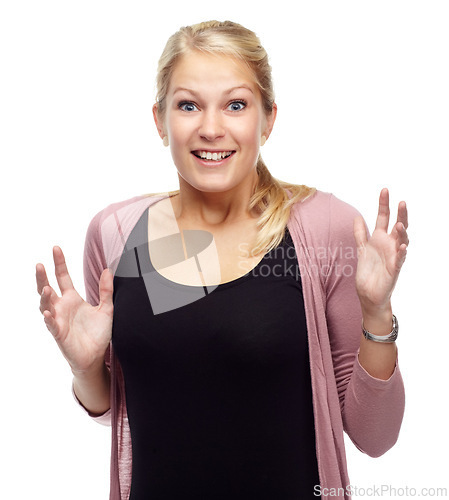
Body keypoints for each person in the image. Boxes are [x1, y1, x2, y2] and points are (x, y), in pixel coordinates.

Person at [36, 20, 408, 500]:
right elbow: (111, 407)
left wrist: (377, 314)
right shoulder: (116, 235)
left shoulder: (324, 229)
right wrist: (86, 368)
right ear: (159, 120)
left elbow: (374, 437)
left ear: (268, 119)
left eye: (236, 105)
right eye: (188, 105)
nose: (211, 129)